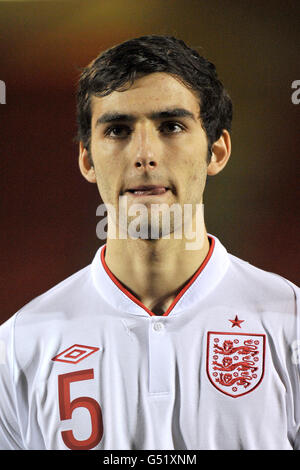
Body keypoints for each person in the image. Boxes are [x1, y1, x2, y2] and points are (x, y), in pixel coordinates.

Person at [0, 35, 299, 450]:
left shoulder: (291, 326)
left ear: (217, 151)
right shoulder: (20, 346)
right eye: (118, 130)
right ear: (87, 159)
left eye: (171, 126)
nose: (144, 154)